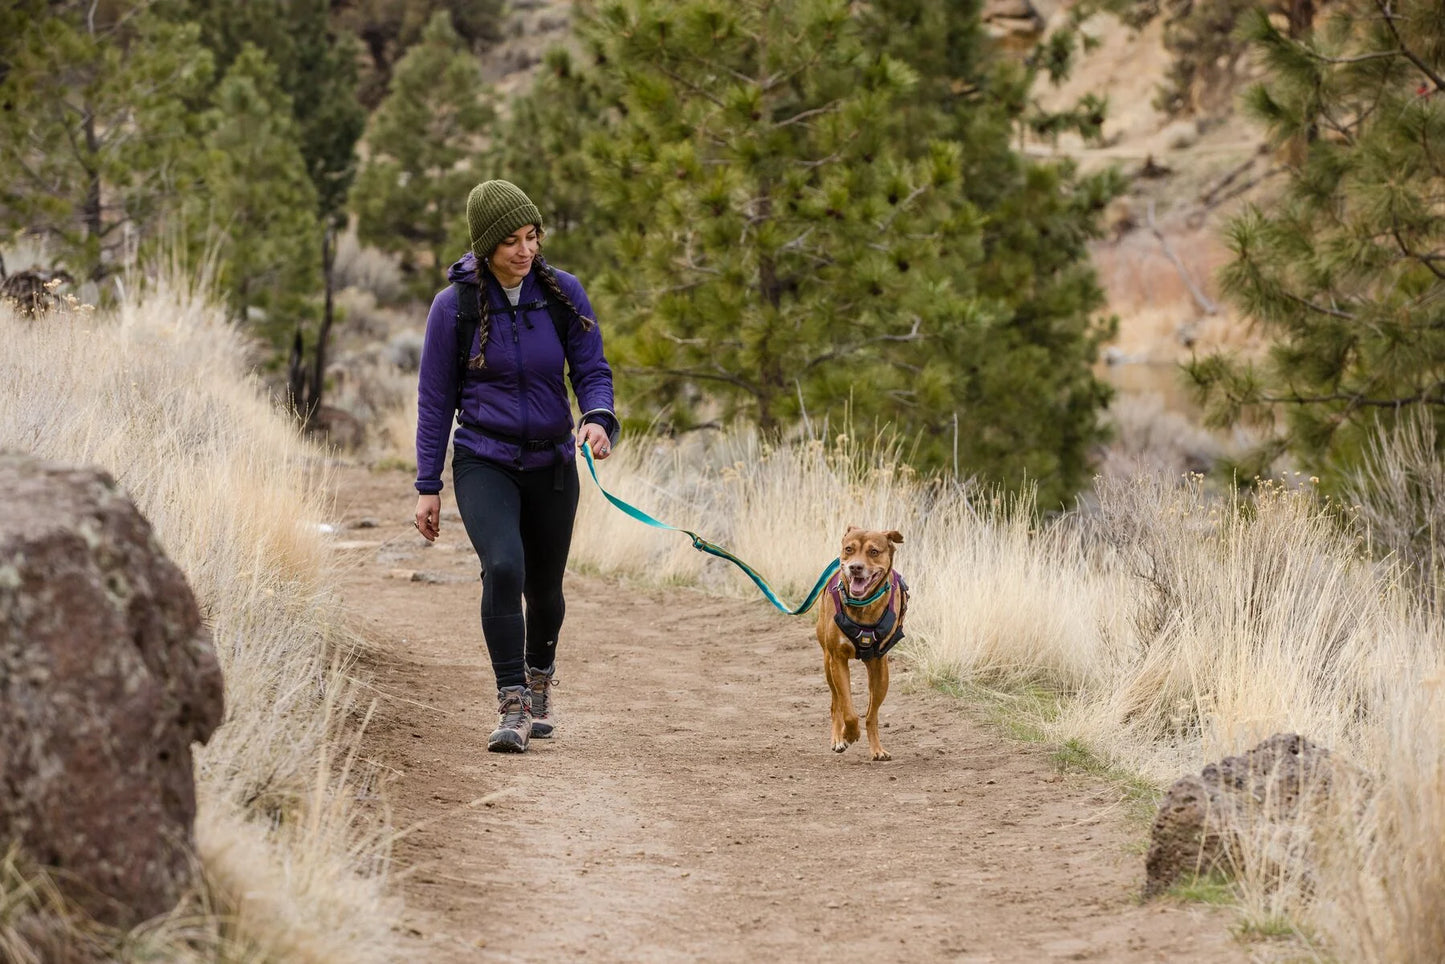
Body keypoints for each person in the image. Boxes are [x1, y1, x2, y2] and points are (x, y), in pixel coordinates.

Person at [413, 179, 618, 754]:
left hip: (553, 462)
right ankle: (512, 700)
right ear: (485, 246)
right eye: (510, 242)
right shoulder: (453, 308)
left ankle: (538, 678)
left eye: (532, 237)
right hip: (484, 460)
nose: (525, 251)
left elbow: (592, 370)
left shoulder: (561, 293)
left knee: (545, 586)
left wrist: (598, 418)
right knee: (504, 567)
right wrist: (428, 486)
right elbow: (434, 401)